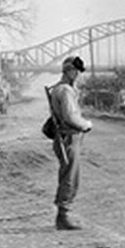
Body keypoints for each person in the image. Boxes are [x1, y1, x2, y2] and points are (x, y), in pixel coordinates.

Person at [47, 56, 92, 230]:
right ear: (70, 71)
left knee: (68, 175)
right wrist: (86, 125)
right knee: (70, 177)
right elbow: (71, 116)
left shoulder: (59, 88)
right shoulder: (65, 91)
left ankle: (64, 215)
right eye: (77, 72)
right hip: (69, 136)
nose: (78, 75)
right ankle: (63, 217)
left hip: (64, 137)